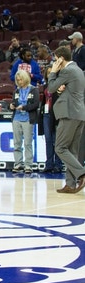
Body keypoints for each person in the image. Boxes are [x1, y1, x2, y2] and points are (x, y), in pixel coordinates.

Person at [47, 47, 85, 193]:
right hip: (79, 114)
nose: (55, 62)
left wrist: (52, 72)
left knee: (60, 147)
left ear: (61, 59)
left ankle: (81, 173)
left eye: (56, 59)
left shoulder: (67, 70)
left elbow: (50, 88)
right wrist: (61, 89)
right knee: (72, 150)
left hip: (69, 113)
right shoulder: (78, 70)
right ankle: (70, 184)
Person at [9, 70, 40, 174]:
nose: (19, 82)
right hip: (16, 119)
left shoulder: (34, 90)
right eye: (18, 80)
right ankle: (18, 164)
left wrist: (24, 107)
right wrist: (12, 106)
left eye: (21, 79)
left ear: (25, 78)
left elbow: (36, 104)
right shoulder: (16, 91)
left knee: (27, 143)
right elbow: (14, 102)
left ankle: (28, 165)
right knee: (17, 143)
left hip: (28, 119)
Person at [40, 67, 63, 173]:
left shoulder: (59, 86)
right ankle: (49, 164)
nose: (50, 75)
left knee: (56, 141)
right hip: (46, 114)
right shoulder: (45, 86)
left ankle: (58, 165)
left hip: (56, 115)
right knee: (48, 141)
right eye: (48, 73)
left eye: (51, 73)